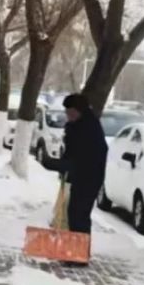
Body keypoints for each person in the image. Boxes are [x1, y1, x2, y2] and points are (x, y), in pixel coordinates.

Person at [40, 93, 108, 246]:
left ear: (79, 110)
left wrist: (55, 164)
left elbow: (80, 159)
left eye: (70, 112)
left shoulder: (89, 129)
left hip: (89, 179)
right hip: (80, 177)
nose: (68, 115)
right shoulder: (77, 126)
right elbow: (71, 156)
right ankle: (75, 251)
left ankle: (80, 253)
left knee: (80, 216)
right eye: (67, 112)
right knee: (74, 214)